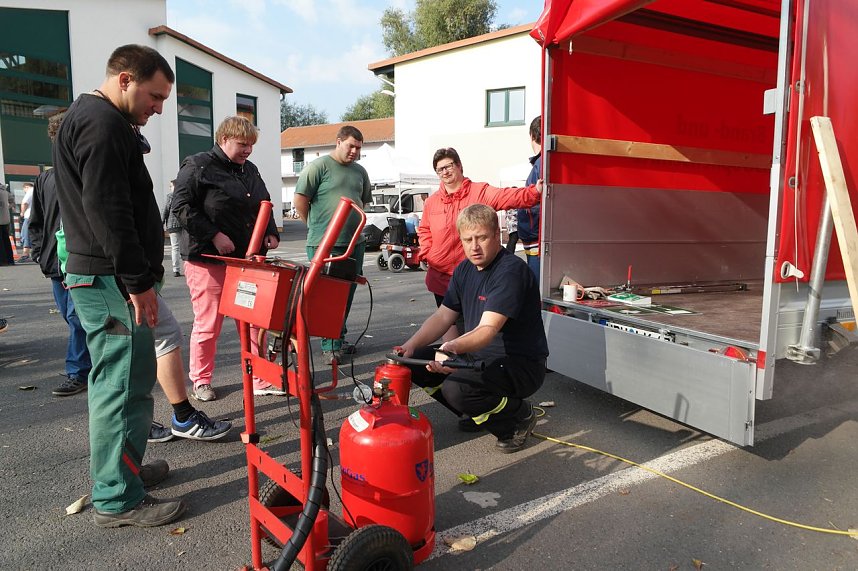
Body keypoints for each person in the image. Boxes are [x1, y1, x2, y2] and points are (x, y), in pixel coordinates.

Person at [52, 44, 184, 528]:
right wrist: (137, 281)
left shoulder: (92, 118)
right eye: (155, 96)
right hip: (111, 280)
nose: (158, 108)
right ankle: (116, 497)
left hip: (107, 277)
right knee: (120, 388)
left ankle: (123, 472)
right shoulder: (102, 123)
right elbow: (109, 211)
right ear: (125, 79)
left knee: (124, 382)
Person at [397, 204, 548, 453]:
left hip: (520, 364)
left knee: (457, 389)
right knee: (414, 362)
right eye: (468, 240)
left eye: (482, 238)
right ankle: (477, 411)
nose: (474, 247)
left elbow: (488, 328)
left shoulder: (510, 271)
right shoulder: (464, 269)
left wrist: (450, 347)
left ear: (497, 235)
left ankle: (518, 417)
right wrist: (410, 346)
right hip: (479, 357)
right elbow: (443, 316)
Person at [172, 116, 282, 402]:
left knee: (253, 323)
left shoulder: (250, 169)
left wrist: (270, 231)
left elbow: (263, 203)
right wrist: (214, 235)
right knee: (209, 324)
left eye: (251, 145)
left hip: (246, 261)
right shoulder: (198, 165)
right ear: (223, 139)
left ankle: (259, 377)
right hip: (208, 260)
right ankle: (201, 381)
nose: (248, 150)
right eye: (243, 144)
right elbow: (180, 207)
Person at [418, 147, 542, 341]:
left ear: (459, 166)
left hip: (472, 276)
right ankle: (450, 357)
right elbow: (424, 230)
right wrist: (427, 253)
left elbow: (507, 196)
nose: (445, 172)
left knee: (474, 326)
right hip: (441, 277)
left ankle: (469, 355)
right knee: (447, 325)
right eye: (440, 169)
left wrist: (534, 192)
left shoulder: (480, 192)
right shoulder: (432, 202)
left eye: (449, 166)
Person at [293, 125, 373, 364]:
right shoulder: (318, 167)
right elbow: (300, 200)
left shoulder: (360, 172)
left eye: (358, 148)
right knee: (328, 296)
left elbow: (362, 202)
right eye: (351, 146)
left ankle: (337, 337)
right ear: (338, 142)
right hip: (325, 244)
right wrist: (314, 226)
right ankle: (329, 344)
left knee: (346, 294)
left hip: (354, 243)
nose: (354, 152)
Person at [28, 113, 92, 396]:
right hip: (54, 262)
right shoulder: (46, 179)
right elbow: (37, 220)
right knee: (71, 317)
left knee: (77, 317)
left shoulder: (86, 173)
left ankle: (78, 371)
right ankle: (88, 364)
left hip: (80, 261)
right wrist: (38, 251)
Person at [518, 116, 543, 279]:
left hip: (537, 240)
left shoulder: (541, 164)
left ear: (532, 136)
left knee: (537, 288)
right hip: (536, 239)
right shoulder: (541, 163)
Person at [161, 180, 183, 277]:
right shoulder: (182, 196)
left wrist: (161, 223)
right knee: (184, 247)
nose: (170, 188)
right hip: (183, 225)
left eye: (171, 186)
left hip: (172, 225)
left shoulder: (170, 196)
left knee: (175, 247)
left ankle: (176, 269)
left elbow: (165, 210)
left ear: (174, 186)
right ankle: (186, 268)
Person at [18, 182, 34, 262]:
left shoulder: (30, 191)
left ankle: (25, 254)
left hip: (28, 216)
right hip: (38, 216)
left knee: (26, 234)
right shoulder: (38, 191)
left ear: (26, 187)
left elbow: (24, 203)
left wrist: (22, 213)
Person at [0, 183, 14, 265]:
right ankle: (10, 260)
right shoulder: (4, 191)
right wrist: (6, 207)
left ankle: (2, 261)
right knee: (6, 240)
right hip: (5, 219)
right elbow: (12, 201)